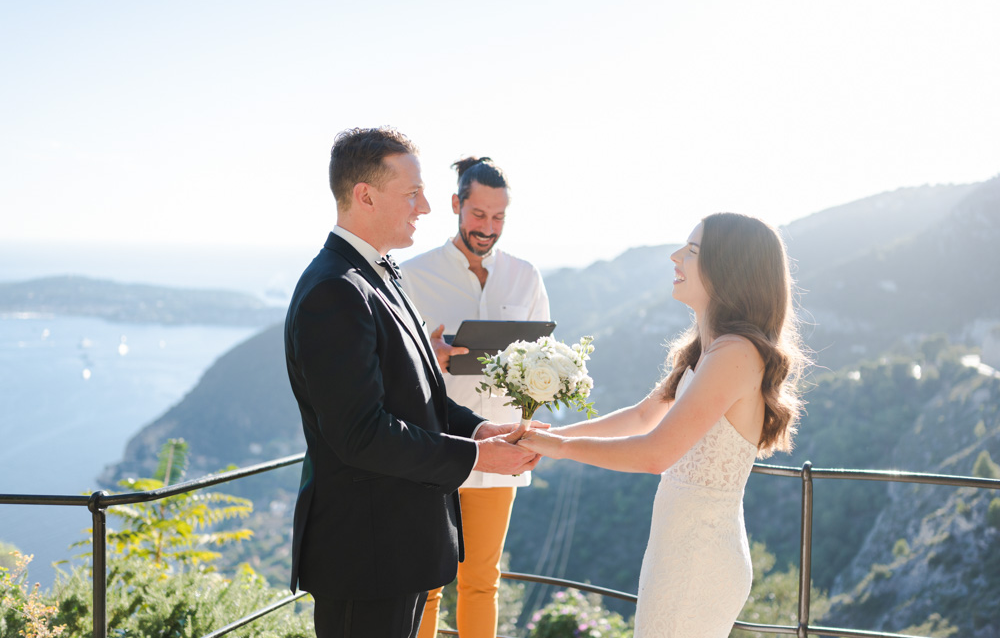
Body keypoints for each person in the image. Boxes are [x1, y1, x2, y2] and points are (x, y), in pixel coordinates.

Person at [284, 127, 541, 638]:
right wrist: (473, 460)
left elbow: (418, 391)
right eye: (412, 193)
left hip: (395, 551)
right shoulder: (335, 291)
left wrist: (477, 430)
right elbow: (361, 434)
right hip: (365, 558)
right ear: (365, 195)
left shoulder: (381, 274)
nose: (425, 207)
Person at [518, 212, 808, 637]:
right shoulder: (709, 349)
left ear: (729, 268)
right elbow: (640, 416)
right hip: (679, 546)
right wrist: (551, 435)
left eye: (691, 251)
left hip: (700, 554)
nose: (675, 257)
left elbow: (656, 453)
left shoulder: (735, 353)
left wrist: (560, 451)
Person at [400, 156, 550, 638]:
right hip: (435, 445)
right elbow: (389, 363)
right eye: (479, 214)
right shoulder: (412, 275)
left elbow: (545, 362)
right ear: (455, 205)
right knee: (426, 581)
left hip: (500, 448)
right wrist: (430, 353)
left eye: (498, 217)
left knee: (483, 581)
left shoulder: (525, 277)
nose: (488, 227)